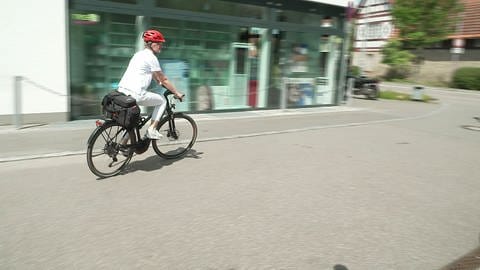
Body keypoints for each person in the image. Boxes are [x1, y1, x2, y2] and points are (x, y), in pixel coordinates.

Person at [118, 29, 184, 139]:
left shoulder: (138, 55)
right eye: (158, 43)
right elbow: (164, 79)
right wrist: (176, 92)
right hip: (136, 94)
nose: (160, 46)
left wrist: (158, 81)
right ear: (150, 44)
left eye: (161, 43)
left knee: (134, 120)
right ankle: (152, 129)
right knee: (162, 101)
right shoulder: (151, 57)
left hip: (122, 92)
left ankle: (122, 146)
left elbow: (153, 73)